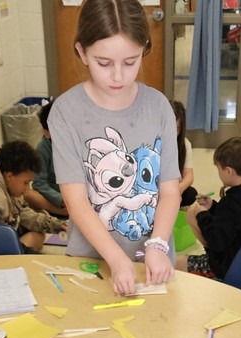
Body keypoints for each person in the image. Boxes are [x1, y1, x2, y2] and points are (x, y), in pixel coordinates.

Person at [48, 0, 180, 296]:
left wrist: (158, 244)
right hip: (93, 263)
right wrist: (117, 259)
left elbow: (170, 190)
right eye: (104, 63)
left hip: (152, 263)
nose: (118, 76)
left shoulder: (158, 107)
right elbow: (76, 202)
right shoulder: (66, 112)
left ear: (144, 48)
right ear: (82, 52)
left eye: (130, 62)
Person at [180, 136, 241, 280]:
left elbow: (217, 240)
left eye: (219, 170)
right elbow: (238, 221)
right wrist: (213, 206)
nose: (219, 174)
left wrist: (202, 215)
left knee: (175, 263)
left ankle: (216, 273)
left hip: (229, 267)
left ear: (229, 171)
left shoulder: (230, 204)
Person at [23, 101, 69, 218]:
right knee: (29, 194)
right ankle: (63, 212)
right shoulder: (42, 150)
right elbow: (39, 183)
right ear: (46, 133)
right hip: (59, 199)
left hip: (79, 194)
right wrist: (60, 199)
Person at [170, 99, 198, 208]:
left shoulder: (184, 144)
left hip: (174, 188)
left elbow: (189, 175)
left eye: (177, 129)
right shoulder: (152, 141)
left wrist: (179, 189)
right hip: (156, 189)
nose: (172, 133)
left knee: (191, 194)